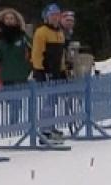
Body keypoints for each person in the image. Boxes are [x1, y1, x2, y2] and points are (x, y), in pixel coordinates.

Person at [32, 3, 67, 141]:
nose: (55, 18)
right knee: (48, 101)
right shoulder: (41, 32)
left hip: (56, 70)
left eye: (57, 15)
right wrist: (39, 70)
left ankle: (50, 125)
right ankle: (44, 129)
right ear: (46, 17)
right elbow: (37, 53)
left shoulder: (59, 32)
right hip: (46, 70)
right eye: (52, 15)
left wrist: (62, 70)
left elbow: (61, 54)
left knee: (53, 100)